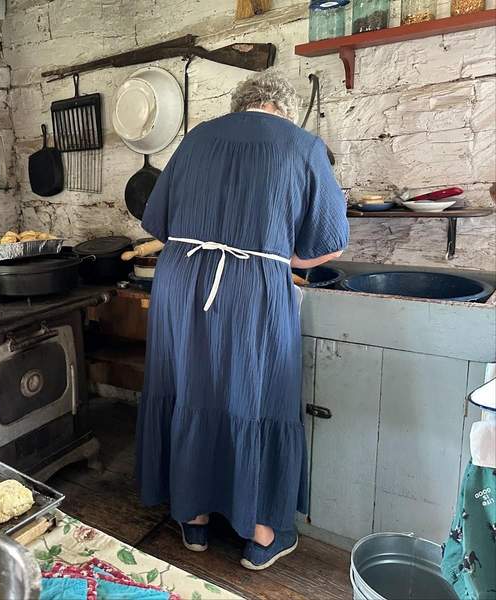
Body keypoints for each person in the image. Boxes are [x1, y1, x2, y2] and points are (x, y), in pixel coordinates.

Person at [135, 70, 349, 570]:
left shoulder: (194, 141)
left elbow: (158, 223)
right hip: (252, 290)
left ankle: (194, 520)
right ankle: (262, 534)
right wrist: (281, 257)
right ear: (284, 108)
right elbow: (329, 242)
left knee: (191, 389)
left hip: (182, 285)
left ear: (240, 105)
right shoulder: (303, 145)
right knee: (257, 395)